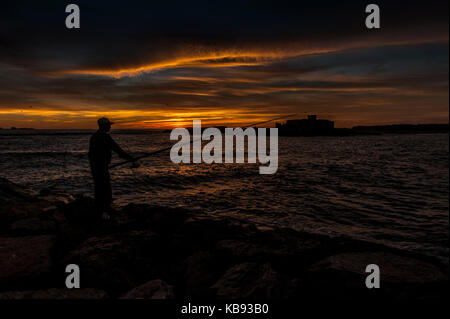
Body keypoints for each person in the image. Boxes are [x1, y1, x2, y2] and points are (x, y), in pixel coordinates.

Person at [88, 117, 137, 219]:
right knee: (105, 190)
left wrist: (96, 165)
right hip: (101, 167)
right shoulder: (105, 137)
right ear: (104, 126)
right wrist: (131, 158)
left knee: (99, 189)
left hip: (95, 167)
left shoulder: (94, 136)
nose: (110, 126)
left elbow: (90, 154)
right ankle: (105, 213)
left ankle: (99, 211)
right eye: (109, 125)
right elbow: (118, 151)